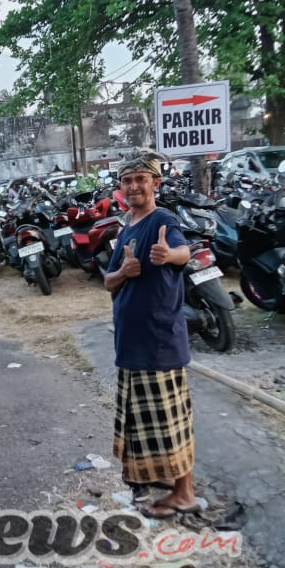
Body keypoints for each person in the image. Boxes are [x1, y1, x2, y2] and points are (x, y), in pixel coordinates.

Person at [103, 151, 198, 519]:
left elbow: (184, 252)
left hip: (159, 341)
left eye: (141, 179)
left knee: (171, 421)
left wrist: (168, 255)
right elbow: (108, 283)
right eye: (127, 181)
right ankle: (158, 482)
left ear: (155, 183)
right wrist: (125, 270)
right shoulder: (126, 228)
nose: (133, 186)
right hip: (131, 341)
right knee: (144, 422)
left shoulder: (163, 219)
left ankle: (185, 493)